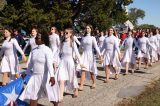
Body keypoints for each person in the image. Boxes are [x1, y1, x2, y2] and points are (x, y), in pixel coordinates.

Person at [19, 32, 60, 106]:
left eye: (37, 38)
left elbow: (49, 64)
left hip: (46, 77)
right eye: (35, 38)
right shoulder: (33, 50)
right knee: (33, 96)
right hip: (35, 77)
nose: (35, 39)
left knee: (52, 96)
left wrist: (52, 76)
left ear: (43, 40)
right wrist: (26, 73)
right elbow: (31, 64)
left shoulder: (47, 50)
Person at [57, 28, 84, 101]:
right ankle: (61, 96)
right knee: (61, 79)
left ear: (70, 34)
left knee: (72, 78)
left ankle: (75, 89)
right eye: (64, 33)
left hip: (70, 62)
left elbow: (77, 54)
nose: (65, 34)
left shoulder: (72, 42)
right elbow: (57, 53)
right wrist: (55, 62)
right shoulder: (61, 42)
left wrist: (80, 63)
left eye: (67, 33)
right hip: (62, 62)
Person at [79, 24, 102, 90]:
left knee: (91, 71)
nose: (87, 29)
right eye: (86, 28)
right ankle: (81, 85)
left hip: (90, 55)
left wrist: (100, 55)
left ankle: (94, 82)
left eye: (88, 28)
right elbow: (80, 48)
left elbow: (96, 47)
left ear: (91, 29)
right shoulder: (83, 38)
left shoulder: (93, 38)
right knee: (83, 70)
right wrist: (79, 56)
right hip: (84, 55)